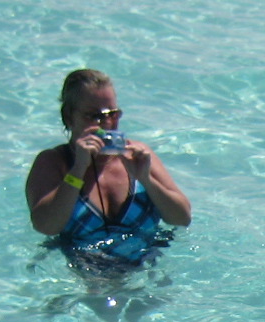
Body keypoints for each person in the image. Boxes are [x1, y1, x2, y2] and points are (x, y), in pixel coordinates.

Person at [25, 69, 192, 267]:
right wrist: (78, 170)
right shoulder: (54, 162)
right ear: (69, 118)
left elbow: (182, 218)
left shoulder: (138, 155)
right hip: (82, 280)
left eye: (113, 114)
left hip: (146, 274)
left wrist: (146, 179)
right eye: (93, 116)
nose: (106, 124)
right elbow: (46, 226)